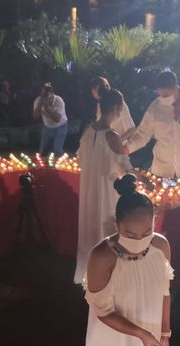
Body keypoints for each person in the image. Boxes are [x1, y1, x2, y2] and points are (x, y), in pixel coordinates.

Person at [85, 174, 174, 346]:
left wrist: (165, 333)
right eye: (131, 235)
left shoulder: (160, 246)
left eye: (147, 232)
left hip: (149, 331)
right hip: (114, 337)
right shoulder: (102, 256)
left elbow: (165, 292)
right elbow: (104, 312)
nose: (139, 241)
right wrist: (141, 334)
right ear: (116, 225)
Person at [75, 89, 132, 285]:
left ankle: (88, 274)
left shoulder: (88, 130)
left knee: (90, 229)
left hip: (89, 189)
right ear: (115, 109)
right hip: (106, 191)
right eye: (119, 110)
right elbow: (126, 168)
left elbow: (80, 158)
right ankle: (106, 276)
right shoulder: (112, 135)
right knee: (107, 228)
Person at [125, 69, 180, 178]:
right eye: (161, 95)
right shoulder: (155, 108)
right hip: (162, 169)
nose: (164, 99)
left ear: (175, 87)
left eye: (166, 96)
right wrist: (125, 150)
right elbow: (142, 135)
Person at [90, 76, 135, 141]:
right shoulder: (99, 105)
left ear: (97, 88)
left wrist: (117, 143)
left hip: (120, 147)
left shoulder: (119, 103)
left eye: (92, 89)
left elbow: (131, 129)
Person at [33, 82, 68, 157]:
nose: (47, 98)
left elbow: (57, 119)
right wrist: (40, 104)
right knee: (42, 152)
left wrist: (47, 107)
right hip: (47, 127)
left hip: (61, 126)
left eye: (48, 95)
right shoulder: (38, 100)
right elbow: (35, 116)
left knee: (57, 150)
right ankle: (43, 168)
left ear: (52, 94)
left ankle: (61, 166)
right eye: (44, 96)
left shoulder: (59, 100)